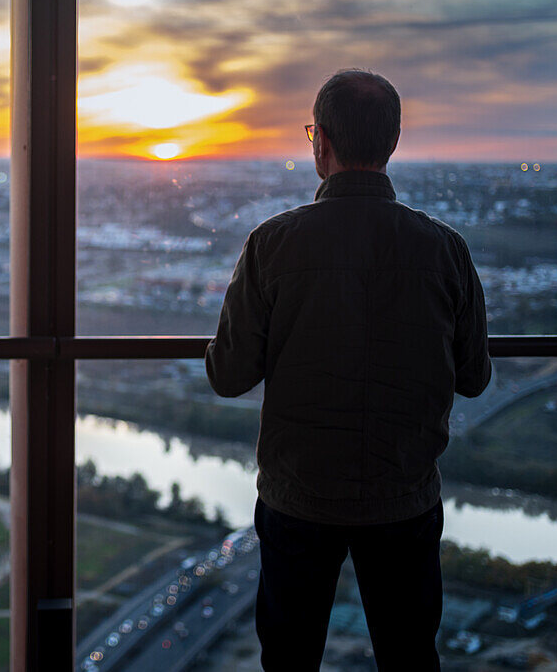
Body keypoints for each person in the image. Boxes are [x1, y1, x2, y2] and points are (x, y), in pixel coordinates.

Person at [205, 69, 491, 670]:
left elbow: (228, 375)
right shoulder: (445, 249)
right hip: (404, 495)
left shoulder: (273, 244)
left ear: (322, 142)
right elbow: (474, 377)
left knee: (289, 658)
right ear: (391, 143)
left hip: (298, 497)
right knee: (410, 656)